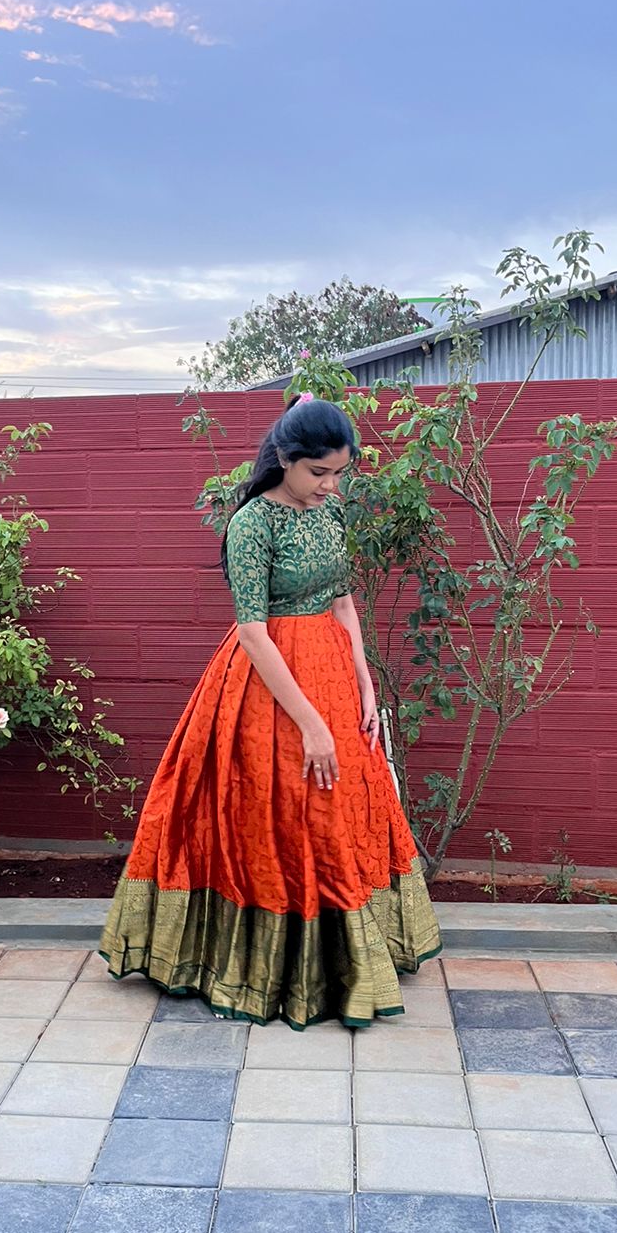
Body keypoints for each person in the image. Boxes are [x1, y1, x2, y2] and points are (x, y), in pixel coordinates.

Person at [99, 394, 442, 1026]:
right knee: (277, 817)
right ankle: (268, 972)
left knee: (338, 816)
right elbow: (253, 632)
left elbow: (343, 603)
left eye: (341, 472)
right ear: (286, 459)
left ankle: (346, 966)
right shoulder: (253, 523)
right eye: (320, 472)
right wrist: (311, 723)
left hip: (335, 678)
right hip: (267, 688)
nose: (331, 485)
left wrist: (366, 685)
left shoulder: (332, 512)